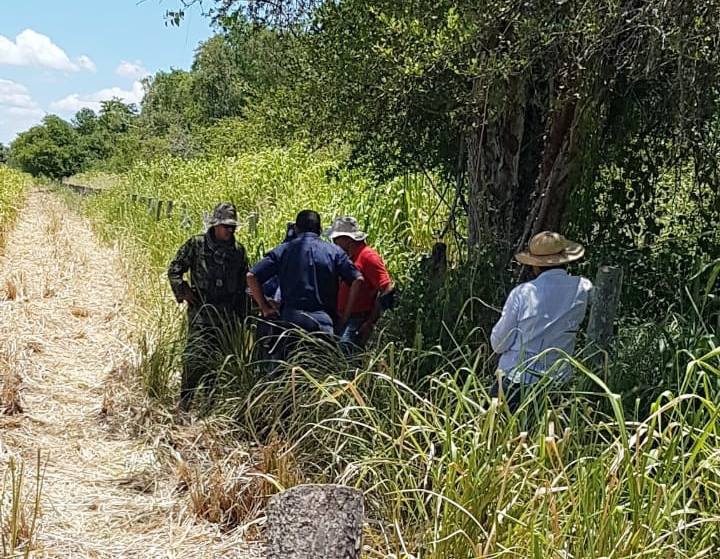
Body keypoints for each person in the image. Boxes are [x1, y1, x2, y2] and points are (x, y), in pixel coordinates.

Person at [489, 231, 593, 411]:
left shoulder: (522, 293)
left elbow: (498, 344)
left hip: (516, 381)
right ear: (566, 260)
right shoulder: (584, 287)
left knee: (496, 433)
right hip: (557, 383)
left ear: (535, 266)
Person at [168, 202, 249, 412]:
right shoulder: (197, 245)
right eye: (225, 226)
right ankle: (185, 402)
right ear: (215, 225)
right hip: (201, 312)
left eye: (233, 227)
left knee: (215, 362)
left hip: (226, 316)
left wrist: (243, 316)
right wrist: (183, 290)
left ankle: (208, 405)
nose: (229, 231)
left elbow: (243, 285)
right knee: (194, 357)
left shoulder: (238, 251)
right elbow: (175, 269)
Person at [247, 210, 364, 340]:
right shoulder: (334, 252)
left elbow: (252, 276)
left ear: (296, 229)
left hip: (290, 324)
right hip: (323, 324)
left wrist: (264, 307)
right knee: (322, 360)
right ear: (319, 229)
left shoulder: (284, 250)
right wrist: (345, 316)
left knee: (289, 359)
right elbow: (357, 279)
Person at [324, 216, 394, 351]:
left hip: (358, 317)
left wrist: (370, 323)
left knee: (345, 352)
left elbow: (387, 289)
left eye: (336, 239)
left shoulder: (368, 256)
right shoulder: (349, 256)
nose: (334, 243)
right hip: (343, 316)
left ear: (347, 239)